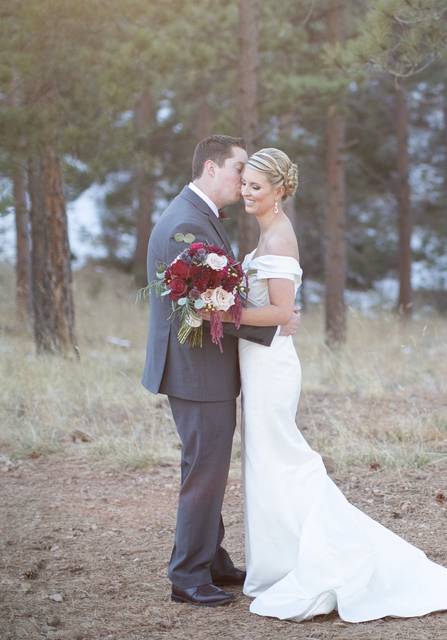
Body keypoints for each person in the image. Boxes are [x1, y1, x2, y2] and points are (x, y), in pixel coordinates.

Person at [225, 147, 447, 622]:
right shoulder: (267, 234)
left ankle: (322, 555)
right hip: (258, 361)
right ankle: (279, 561)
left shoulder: (280, 238)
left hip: (271, 365)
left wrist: (222, 312)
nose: (245, 191)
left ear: (279, 190)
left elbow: (282, 313)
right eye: (244, 183)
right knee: (265, 463)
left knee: (283, 460)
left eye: (256, 186)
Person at [141, 135, 300, 607]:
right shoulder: (185, 223)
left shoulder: (200, 216)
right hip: (195, 370)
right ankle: (188, 576)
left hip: (204, 367)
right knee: (205, 470)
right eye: (237, 169)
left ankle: (212, 560)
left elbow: (218, 299)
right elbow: (197, 307)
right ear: (211, 168)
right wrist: (273, 320)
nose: (243, 180)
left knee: (207, 465)